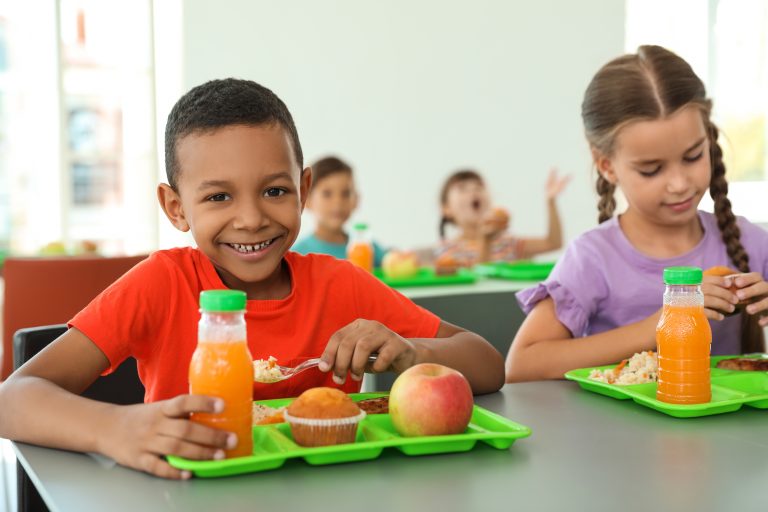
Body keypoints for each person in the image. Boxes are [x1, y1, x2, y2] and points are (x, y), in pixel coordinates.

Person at [0, 79, 504, 479]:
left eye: (275, 191)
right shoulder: (162, 283)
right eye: (218, 197)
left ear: (303, 189)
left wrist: (412, 352)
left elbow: (486, 363)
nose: (251, 219)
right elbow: (13, 400)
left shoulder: (341, 285)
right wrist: (115, 428)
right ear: (176, 208)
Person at [505, 45, 768, 382]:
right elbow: (521, 366)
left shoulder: (750, 243)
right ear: (607, 166)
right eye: (651, 169)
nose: (678, 183)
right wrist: (662, 324)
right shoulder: (593, 259)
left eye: (693, 157)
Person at [434, 167, 569, 267]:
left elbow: (553, 243)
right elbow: (477, 285)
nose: (473, 191)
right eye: (462, 189)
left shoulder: (508, 243)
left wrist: (550, 202)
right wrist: (485, 241)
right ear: (446, 209)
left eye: (479, 187)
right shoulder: (448, 249)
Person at [293, 156, 386, 266]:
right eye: (327, 194)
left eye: (346, 194)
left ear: (356, 200)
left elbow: (392, 261)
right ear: (306, 199)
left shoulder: (367, 249)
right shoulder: (298, 255)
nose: (338, 202)